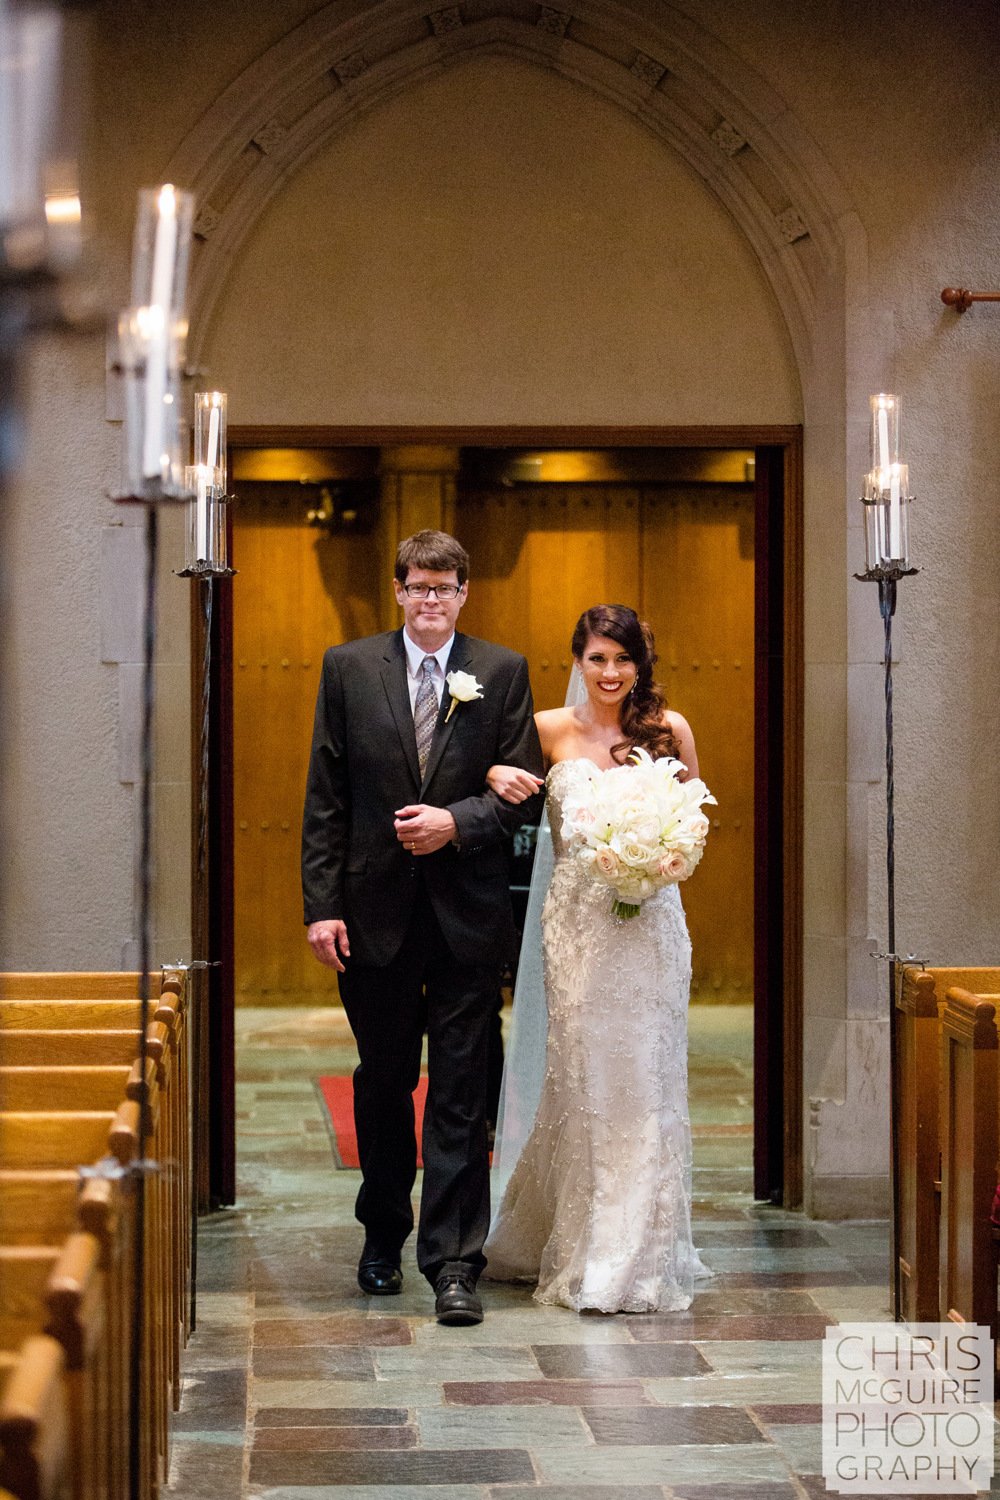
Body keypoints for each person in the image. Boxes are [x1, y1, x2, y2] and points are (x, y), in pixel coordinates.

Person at [301, 530, 544, 1326]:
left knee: (461, 1094)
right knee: (382, 1081)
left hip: (466, 917)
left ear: (464, 593)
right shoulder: (348, 668)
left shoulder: (501, 672)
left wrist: (456, 820)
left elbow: (520, 790)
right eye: (418, 587)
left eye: (445, 588)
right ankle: (381, 1236)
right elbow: (327, 796)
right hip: (372, 915)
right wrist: (322, 905)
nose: (431, 600)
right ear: (398, 591)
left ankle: (452, 1262)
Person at [482, 603, 708, 1314]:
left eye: (624, 658)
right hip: (579, 928)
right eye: (598, 658)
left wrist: (664, 857)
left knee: (646, 1078)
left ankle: (632, 1252)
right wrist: (493, 773)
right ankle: (576, 1235)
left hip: (651, 931)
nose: (611, 673)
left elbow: (695, 817)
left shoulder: (669, 731)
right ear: (578, 660)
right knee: (583, 1076)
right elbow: (499, 787)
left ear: (643, 663)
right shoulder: (549, 729)